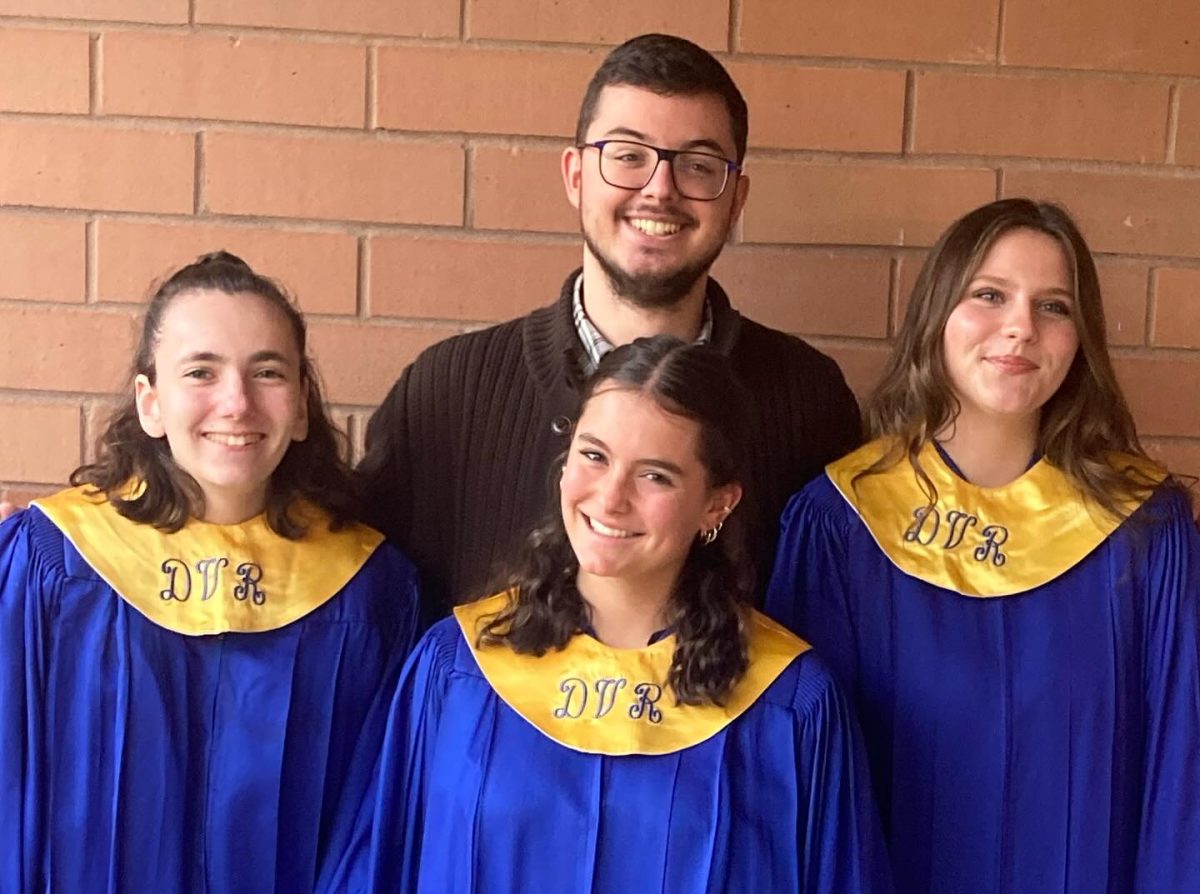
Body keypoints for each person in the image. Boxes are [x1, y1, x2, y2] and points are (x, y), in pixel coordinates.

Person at [320, 336, 891, 893]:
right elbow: (382, 868)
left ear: (717, 503)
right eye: (594, 455)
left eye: (655, 475)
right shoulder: (457, 669)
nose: (611, 497)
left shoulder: (789, 704)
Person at [765, 199, 1200, 893]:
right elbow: (801, 784)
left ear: (1080, 337)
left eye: (1054, 306)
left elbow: (1184, 774)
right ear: (938, 313)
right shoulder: (842, 524)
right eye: (989, 295)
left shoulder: (1144, 531)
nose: (1020, 328)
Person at [359, 32, 861, 619]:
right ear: (576, 175)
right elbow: (367, 628)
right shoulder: (443, 393)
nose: (659, 189)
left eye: (698, 166)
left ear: (736, 199)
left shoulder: (809, 401)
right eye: (627, 155)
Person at [0, 253, 421, 893]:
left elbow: (378, 824)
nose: (237, 402)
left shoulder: (369, 591)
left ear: (302, 406)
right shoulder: (53, 566)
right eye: (201, 371)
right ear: (151, 404)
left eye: (268, 372)